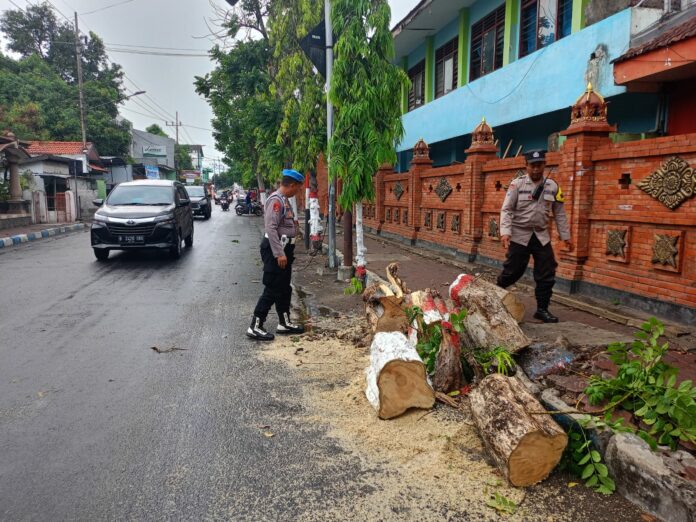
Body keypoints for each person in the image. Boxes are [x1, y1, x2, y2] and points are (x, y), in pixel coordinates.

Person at [497, 150, 574, 323]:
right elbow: (507, 210)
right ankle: (495, 292)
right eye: (533, 165)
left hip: (541, 235)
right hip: (519, 234)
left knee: (547, 271)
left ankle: (542, 309)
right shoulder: (517, 185)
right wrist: (505, 233)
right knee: (513, 271)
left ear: (544, 165)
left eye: (540, 165)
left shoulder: (553, 187)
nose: (536, 169)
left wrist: (566, 236)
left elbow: (559, 213)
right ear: (526, 166)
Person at [247, 169, 306, 340]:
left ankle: (284, 322)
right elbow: (271, 228)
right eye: (298, 188)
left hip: (284, 248)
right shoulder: (276, 201)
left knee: (284, 287)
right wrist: (279, 253)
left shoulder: (284, 200)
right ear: (292, 185)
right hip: (276, 249)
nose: (298, 192)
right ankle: (255, 326)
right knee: (272, 287)